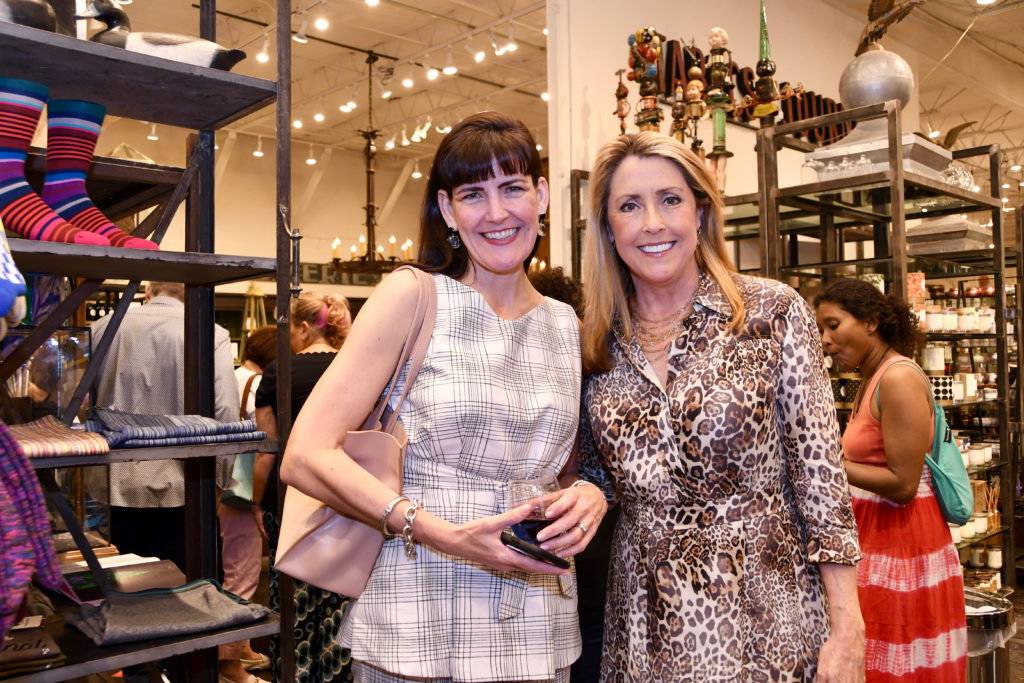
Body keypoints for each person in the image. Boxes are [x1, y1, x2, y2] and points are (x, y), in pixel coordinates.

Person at [280, 111, 608, 683]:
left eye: (513, 188)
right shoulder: (413, 295)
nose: (498, 212)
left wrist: (584, 497)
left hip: (537, 614)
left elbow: (561, 473)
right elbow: (306, 453)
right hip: (420, 603)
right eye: (473, 194)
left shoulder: (565, 324)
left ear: (543, 195)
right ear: (448, 210)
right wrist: (437, 531)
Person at [577, 132, 865, 682]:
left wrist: (848, 624)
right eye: (630, 206)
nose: (653, 223)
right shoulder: (597, 342)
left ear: (701, 212)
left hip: (765, 624)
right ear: (609, 229)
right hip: (643, 629)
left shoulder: (772, 314)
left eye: (671, 199)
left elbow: (822, 484)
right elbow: (598, 473)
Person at [813, 278, 967, 681]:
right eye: (821, 330)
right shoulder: (871, 377)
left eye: (833, 325)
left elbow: (903, 483)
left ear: (870, 322)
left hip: (902, 544)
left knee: (895, 663)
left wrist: (824, 461)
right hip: (878, 540)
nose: (826, 340)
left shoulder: (897, 378)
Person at [89, 280, 238, 683]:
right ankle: (179, 672)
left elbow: (82, 403)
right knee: (188, 597)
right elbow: (225, 409)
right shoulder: (210, 332)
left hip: (117, 482)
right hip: (186, 484)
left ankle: (139, 674)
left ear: (149, 289)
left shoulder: (103, 327)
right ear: (189, 293)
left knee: (125, 596)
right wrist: (220, 479)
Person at [250, 291, 351, 683]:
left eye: (290, 328)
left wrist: (257, 502)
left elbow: (266, 450)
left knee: (290, 593)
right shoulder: (353, 366)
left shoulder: (278, 372)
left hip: (291, 498)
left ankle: (293, 672)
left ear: (306, 328)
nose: (288, 336)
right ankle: (340, 671)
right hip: (346, 497)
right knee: (342, 592)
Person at [220, 324, 276, 683]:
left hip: (225, 480)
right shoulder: (259, 385)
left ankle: (241, 648)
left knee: (235, 567)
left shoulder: (235, 375)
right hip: (245, 486)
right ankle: (230, 664)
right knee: (242, 573)